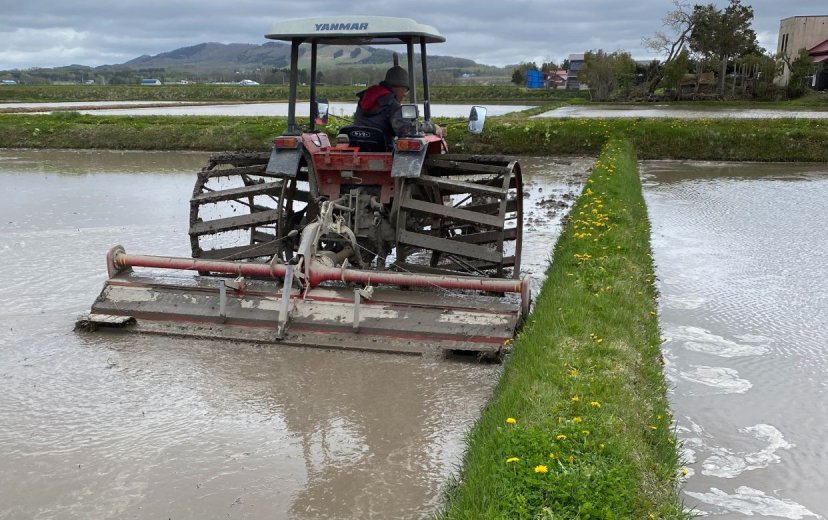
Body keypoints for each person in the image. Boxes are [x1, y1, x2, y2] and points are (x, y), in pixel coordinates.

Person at [353, 65, 445, 147]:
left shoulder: (364, 98)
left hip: (358, 145)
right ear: (398, 87)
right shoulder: (392, 103)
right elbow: (405, 130)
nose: (405, 94)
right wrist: (432, 127)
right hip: (383, 148)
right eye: (405, 90)